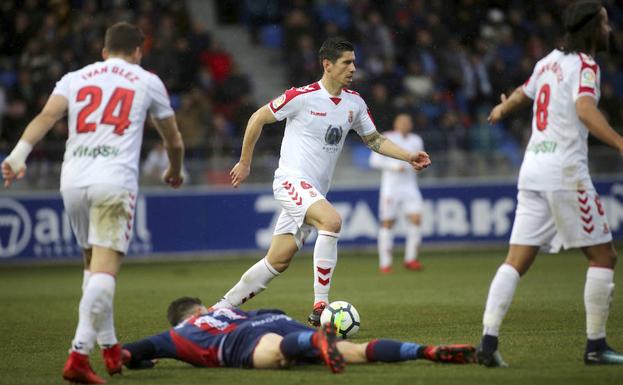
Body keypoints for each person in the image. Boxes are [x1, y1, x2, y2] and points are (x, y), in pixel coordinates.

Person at [1, 22, 185, 383]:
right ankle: (78, 355)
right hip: (112, 181)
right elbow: (174, 141)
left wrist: (18, 155)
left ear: (103, 51)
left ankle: (111, 349)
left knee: (91, 265)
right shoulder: (146, 80)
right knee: (105, 269)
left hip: (72, 180)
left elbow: (47, 116)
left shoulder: (75, 77)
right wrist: (173, 171)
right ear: (138, 52)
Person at [213, 37, 431, 326]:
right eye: (346, 62)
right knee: (331, 221)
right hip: (291, 180)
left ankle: (221, 308)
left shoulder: (354, 103)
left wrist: (407, 156)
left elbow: (374, 139)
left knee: (278, 260)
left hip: (313, 190)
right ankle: (321, 306)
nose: (353, 68)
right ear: (327, 65)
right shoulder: (301, 97)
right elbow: (257, 118)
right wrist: (245, 161)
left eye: (354, 61)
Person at [477, 1, 623, 367]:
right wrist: (620, 142)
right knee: (604, 255)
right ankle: (595, 346)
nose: (609, 29)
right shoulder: (585, 66)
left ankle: (488, 344)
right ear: (592, 28)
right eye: (605, 23)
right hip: (565, 173)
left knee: (516, 260)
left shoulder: (548, 62)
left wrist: (500, 110)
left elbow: (522, 94)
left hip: (533, 169)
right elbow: (585, 110)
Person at [121, 297, 476, 374]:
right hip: (277, 321)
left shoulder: (180, 333)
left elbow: (129, 351)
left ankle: (313, 342)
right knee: (355, 350)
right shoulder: (225, 310)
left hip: (240, 342)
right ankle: (423, 351)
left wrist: (137, 360)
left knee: (277, 353)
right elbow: (269, 315)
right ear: (201, 307)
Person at [369, 113, 425, 273]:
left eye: (408, 122)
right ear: (396, 124)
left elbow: (419, 159)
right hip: (391, 188)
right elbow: (374, 161)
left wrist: (420, 166)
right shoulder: (387, 137)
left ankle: (411, 259)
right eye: (402, 122)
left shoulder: (416, 140)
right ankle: (385, 263)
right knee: (388, 222)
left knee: (416, 219)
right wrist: (394, 167)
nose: (405, 124)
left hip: (410, 186)